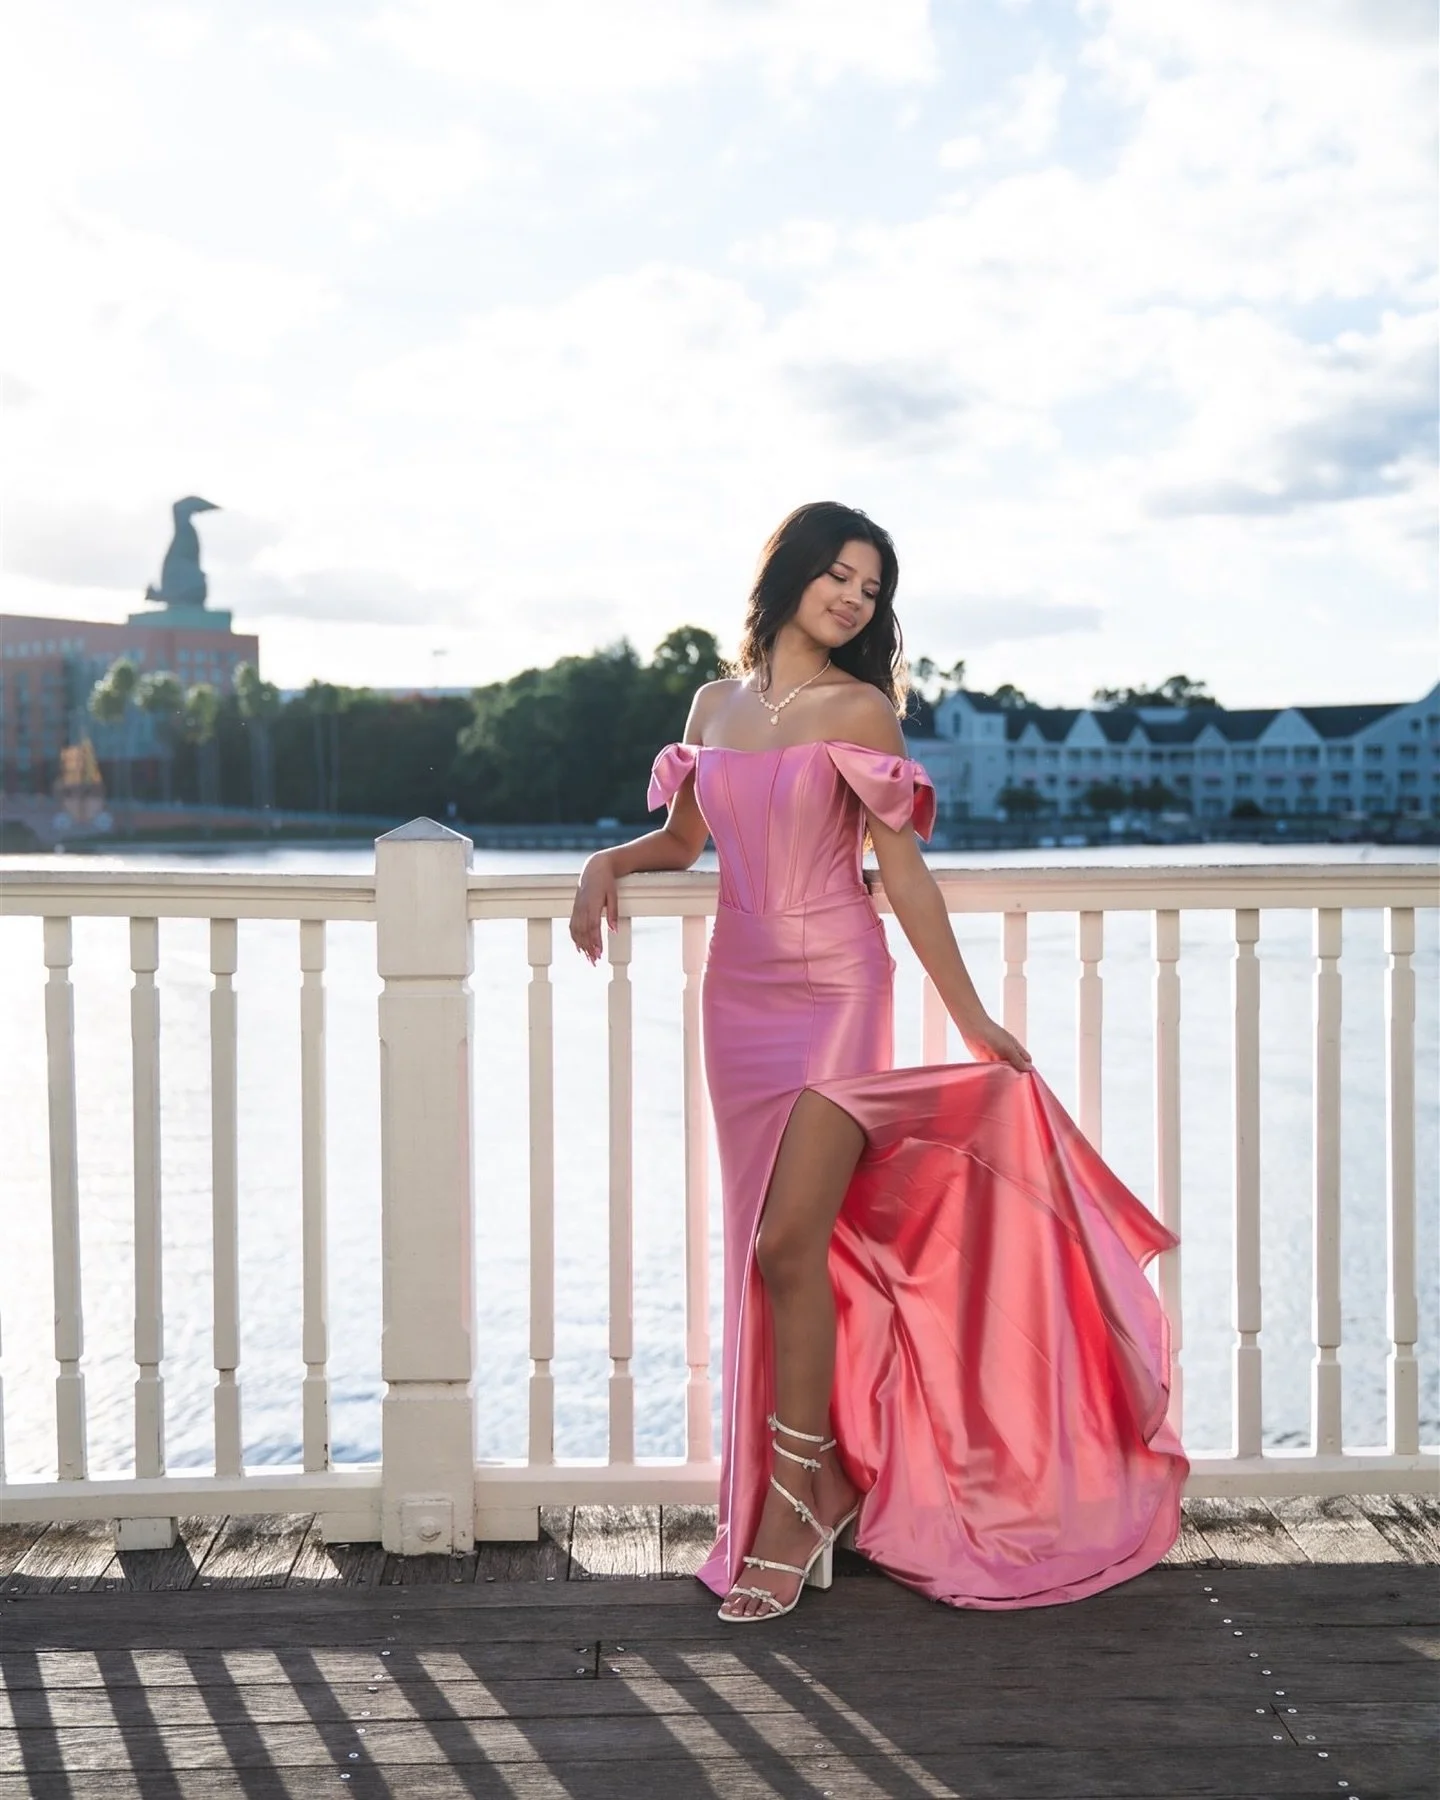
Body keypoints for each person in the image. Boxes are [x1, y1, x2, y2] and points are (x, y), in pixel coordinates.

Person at [569, 501, 1187, 1623]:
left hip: (838, 993)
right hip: (737, 999)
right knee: (771, 1254)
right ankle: (817, 1481)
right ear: (792, 573)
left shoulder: (863, 711)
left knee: (787, 1242)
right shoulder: (713, 704)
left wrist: (971, 1015)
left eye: (872, 588)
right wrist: (604, 863)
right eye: (840, 576)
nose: (856, 599)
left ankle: (797, 1499)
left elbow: (901, 873)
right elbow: (686, 841)